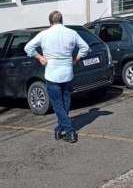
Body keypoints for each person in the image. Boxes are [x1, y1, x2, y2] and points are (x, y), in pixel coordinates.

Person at [24, 10, 89, 143]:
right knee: (65, 101)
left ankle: (69, 131)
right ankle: (60, 128)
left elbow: (28, 47)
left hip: (52, 73)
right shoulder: (72, 33)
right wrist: (76, 59)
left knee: (57, 104)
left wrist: (39, 57)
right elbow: (85, 48)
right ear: (62, 20)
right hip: (67, 72)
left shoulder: (44, 34)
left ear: (50, 22)